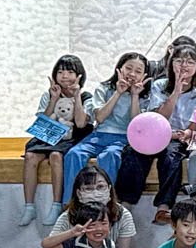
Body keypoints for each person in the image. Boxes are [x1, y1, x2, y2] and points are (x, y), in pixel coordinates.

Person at [59, 52, 154, 205]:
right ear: (119, 69)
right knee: (74, 154)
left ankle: (106, 205)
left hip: (124, 138)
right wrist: (118, 92)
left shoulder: (146, 95)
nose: (132, 74)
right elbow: (100, 118)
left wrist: (135, 95)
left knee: (109, 156)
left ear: (144, 75)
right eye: (128, 68)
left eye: (138, 71)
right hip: (99, 135)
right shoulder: (104, 88)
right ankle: (70, 203)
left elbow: (137, 125)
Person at [20, 55, 89, 227]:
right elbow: (42, 122)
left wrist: (77, 95)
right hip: (48, 135)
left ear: (79, 75)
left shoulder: (87, 95)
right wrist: (53, 98)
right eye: (60, 72)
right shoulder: (49, 94)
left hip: (71, 138)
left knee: (56, 157)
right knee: (30, 156)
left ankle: (57, 204)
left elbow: (81, 122)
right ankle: (29, 206)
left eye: (70, 72)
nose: (64, 76)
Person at [134, 40, 196, 223]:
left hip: (177, 138)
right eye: (179, 61)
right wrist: (176, 91)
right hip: (154, 134)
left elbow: (193, 126)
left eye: (190, 62)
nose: (184, 66)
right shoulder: (159, 85)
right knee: (133, 154)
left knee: (172, 156)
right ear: (171, 63)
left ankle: (164, 207)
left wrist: (187, 133)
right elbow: (159, 117)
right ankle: (125, 202)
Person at [43, 165, 138, 248]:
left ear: (109, 189)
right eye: (88, 188)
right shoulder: (67, 217)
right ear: (79, 193)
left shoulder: (123, 214)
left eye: (100, 187)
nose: (95, 193)